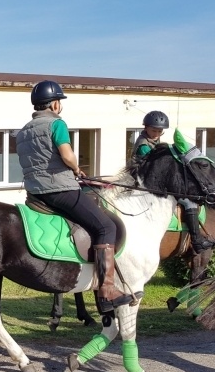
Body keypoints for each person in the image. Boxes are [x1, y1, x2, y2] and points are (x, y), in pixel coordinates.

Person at [15, 80, 131, 312]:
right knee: (106, 227)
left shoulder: (24, 131)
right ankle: (107, 290)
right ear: (55, 104)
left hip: (35, 194)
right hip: (60, 190)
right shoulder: (56, 124)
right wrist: (76, 168)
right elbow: (66, 155)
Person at [132, 111, 214, 253]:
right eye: (153, 130)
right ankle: (197, 241)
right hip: (146, 184)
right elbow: (157, 168)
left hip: (153, 181)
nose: (156, 133)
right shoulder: (143, 145)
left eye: (159, 131)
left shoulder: (154, 142)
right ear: (145, 128)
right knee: (189, 202)